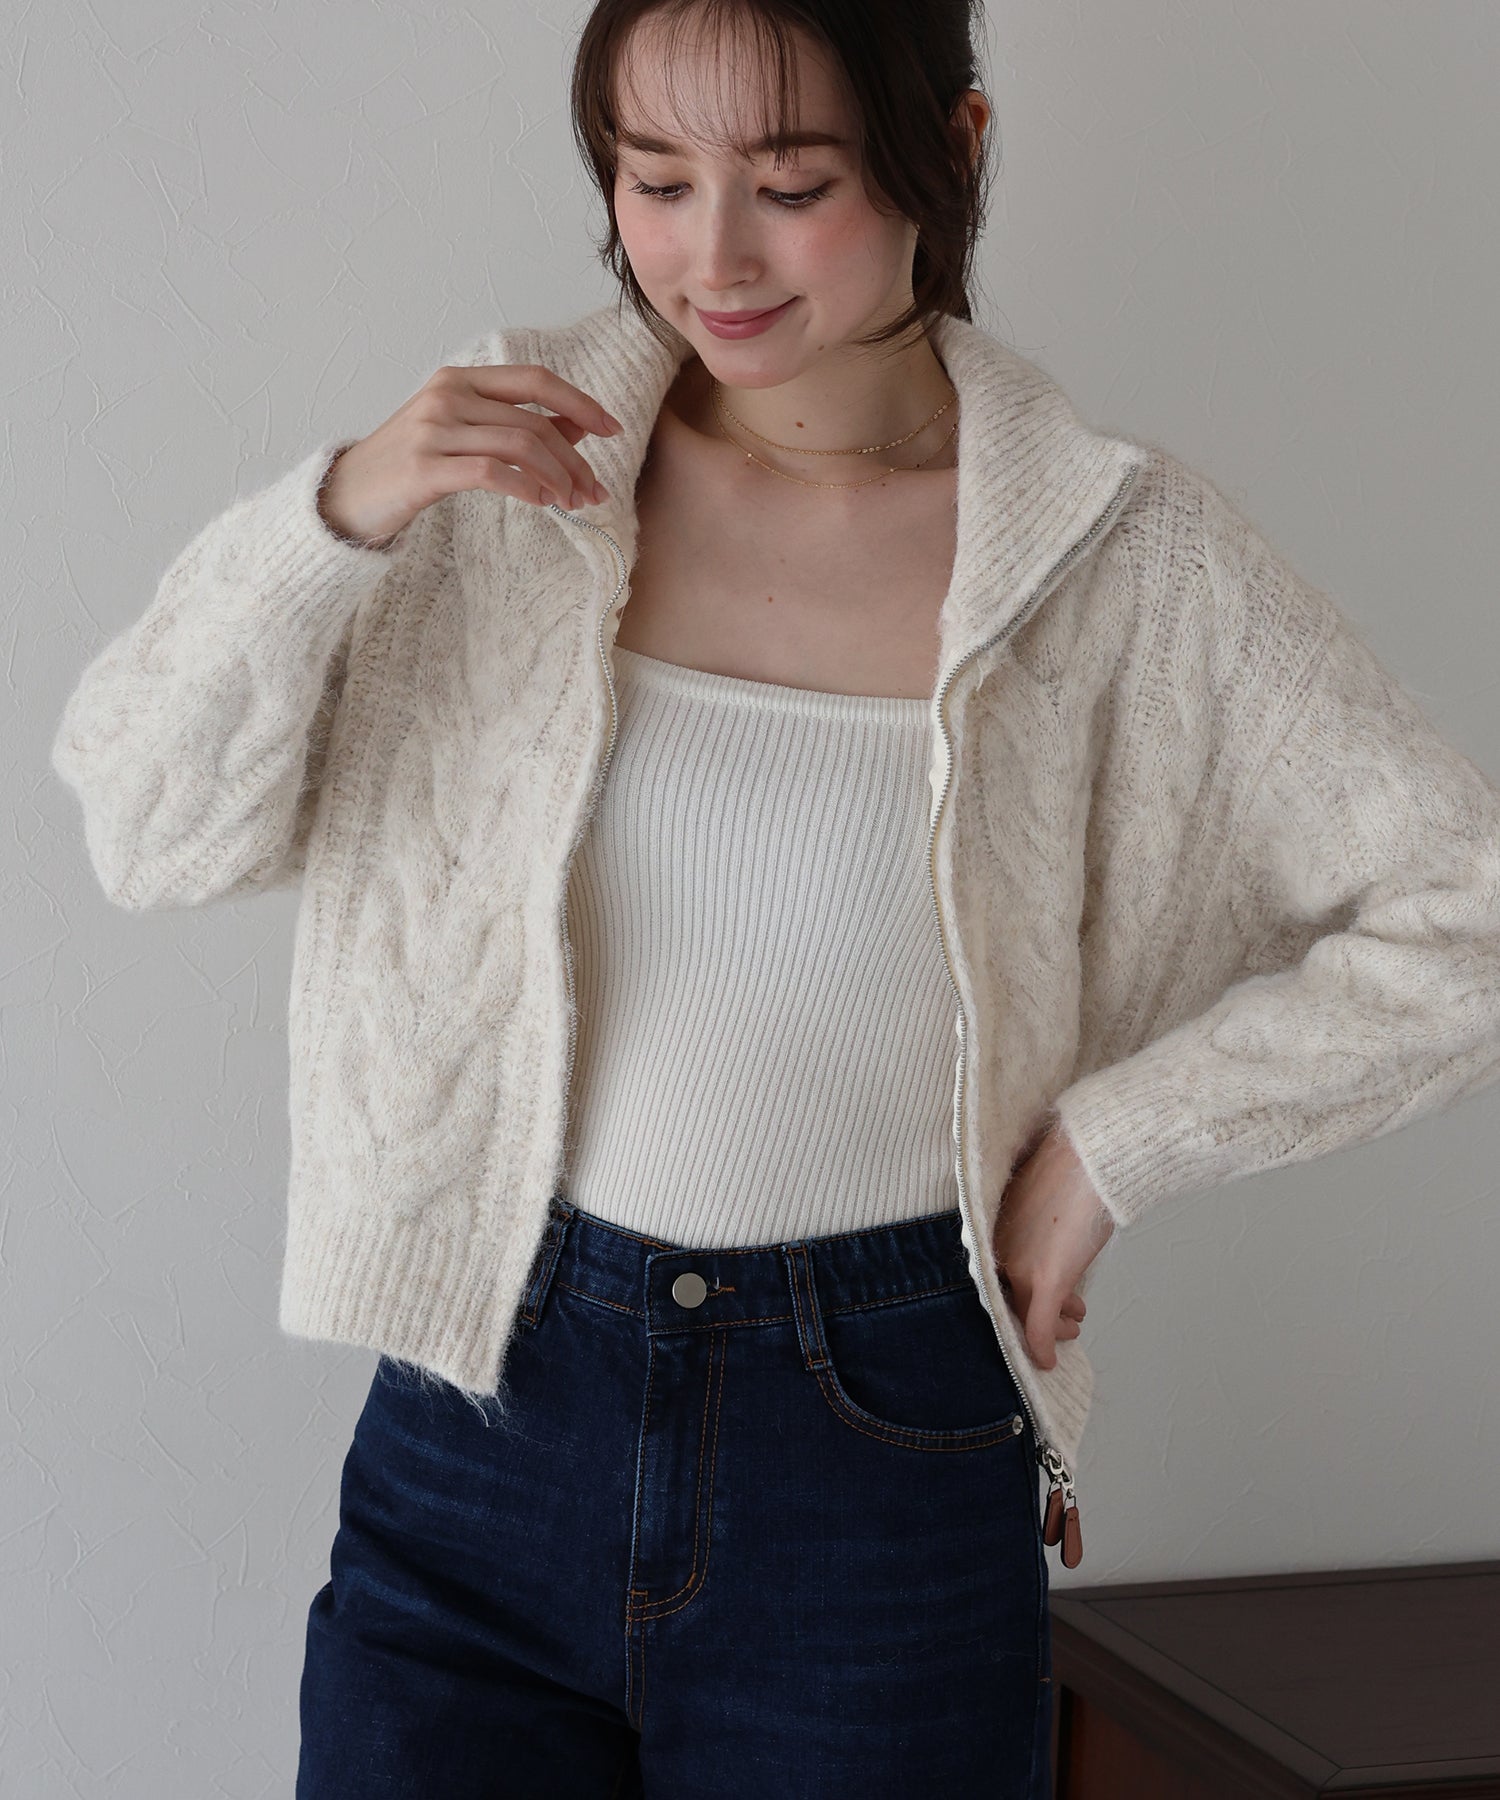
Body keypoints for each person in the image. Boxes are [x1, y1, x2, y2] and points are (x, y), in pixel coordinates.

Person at [48, 2, 1500, 1796]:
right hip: (480, 1423)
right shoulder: (499, 476)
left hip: (876, 1461)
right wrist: (339, 513)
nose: (712, 257)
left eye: (791, 184)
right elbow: (149, 830)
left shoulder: (1125, 557)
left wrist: (1111, 1151)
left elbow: (1466, 915)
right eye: (655, 180)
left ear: (952, 151)